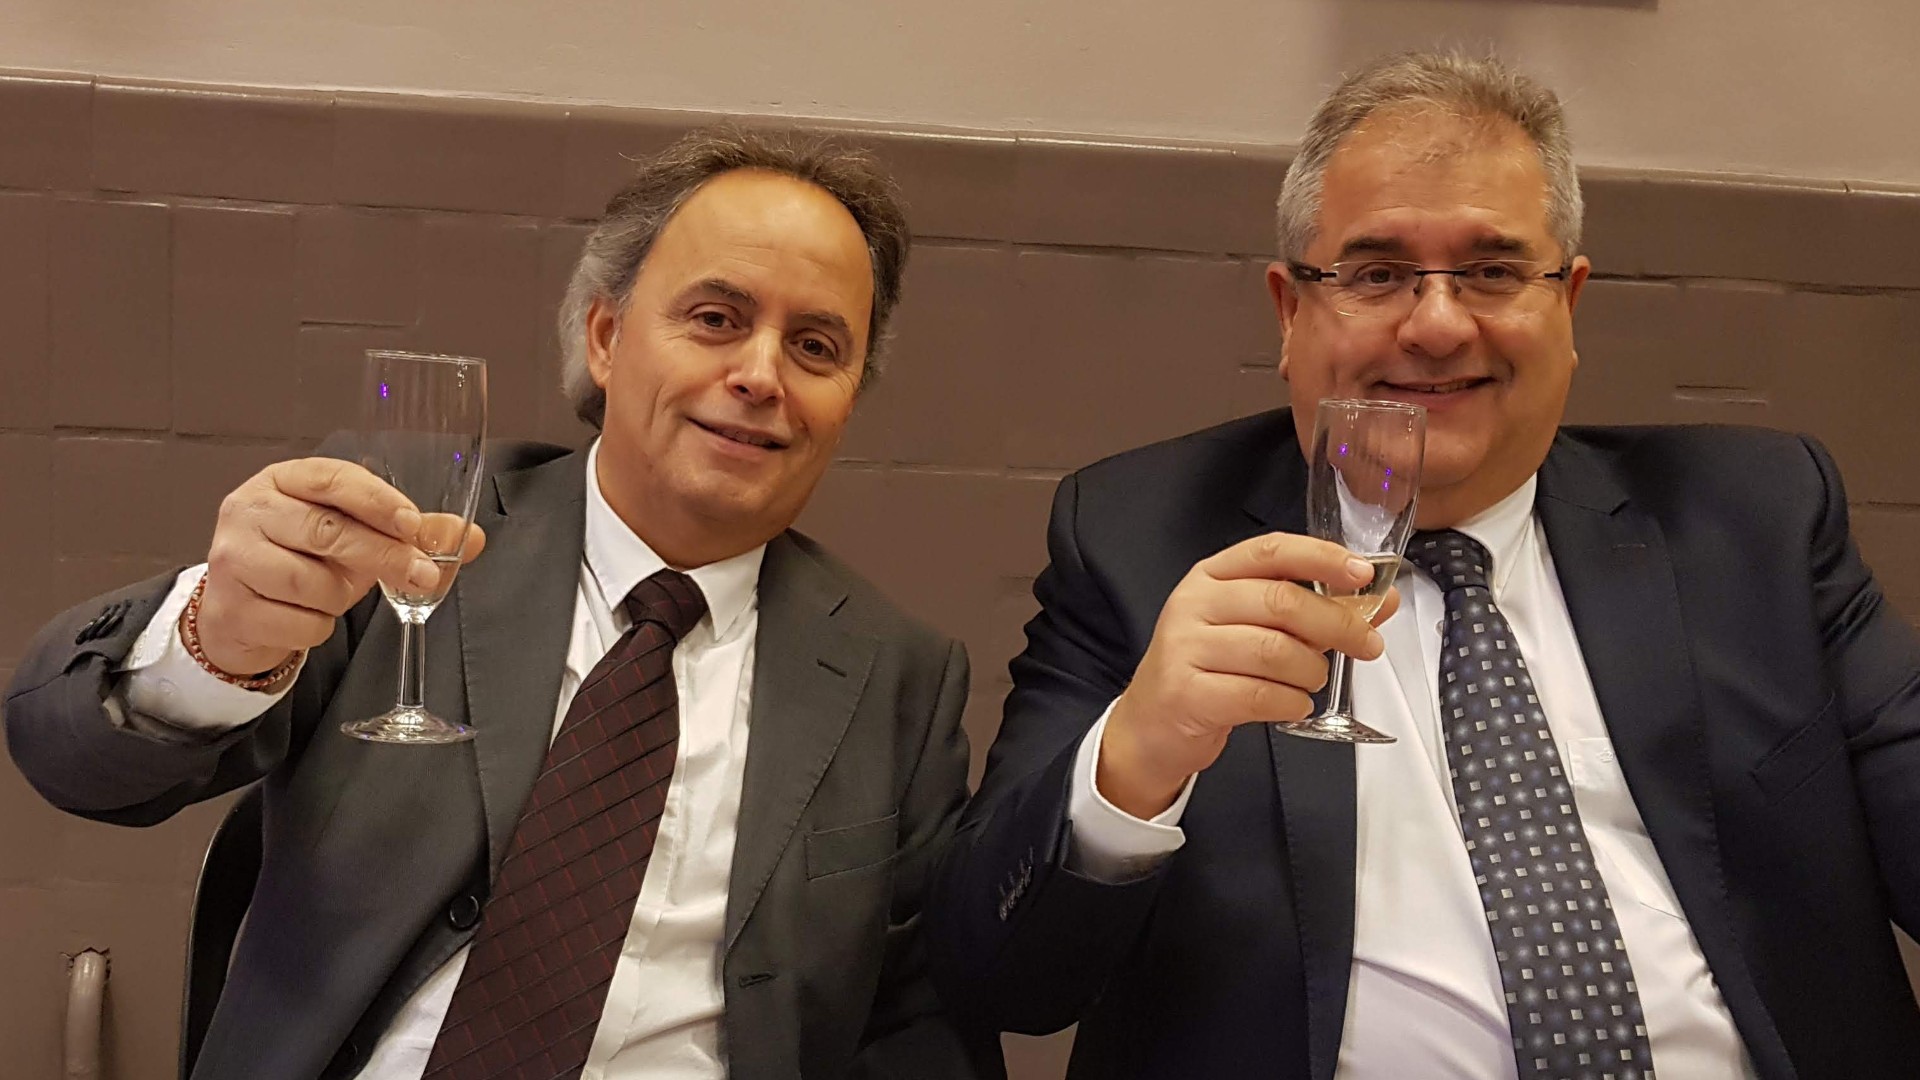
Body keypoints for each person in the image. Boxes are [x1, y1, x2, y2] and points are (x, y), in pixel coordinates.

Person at [927, 51, 1920, 1080]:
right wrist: (1134, 762)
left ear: (1569, 305)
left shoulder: (1753, 518)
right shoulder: (1140, 540)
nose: (1438, 324)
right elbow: (1000, 981)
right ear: (1290, 312)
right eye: (1376, 274)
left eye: (1493, 272)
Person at [6, 127, 1001, 1080]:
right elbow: (71, 757)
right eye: (715, 319)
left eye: (816, 346)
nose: (759, 375)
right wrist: (216, 642)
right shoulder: (405, 531)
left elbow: (914, 1024)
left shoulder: (897, 679)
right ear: (606, 337)